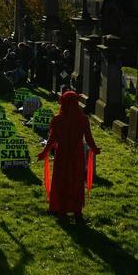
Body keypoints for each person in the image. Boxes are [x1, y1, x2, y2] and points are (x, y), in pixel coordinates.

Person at [37, 90, 101, 219]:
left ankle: (61, 209)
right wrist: (95, 149)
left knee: (61, 180)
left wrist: (44, 153)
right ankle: (77, 211)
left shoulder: (58, 119)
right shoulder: (83, 119)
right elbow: (88, 138)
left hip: (62, 153)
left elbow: (52, 138)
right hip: (77, 154)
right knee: (76, 181)